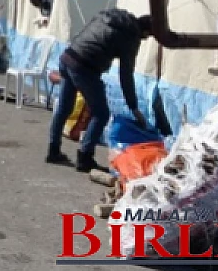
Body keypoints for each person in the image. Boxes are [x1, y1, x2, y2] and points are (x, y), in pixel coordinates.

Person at [47, 9, 153, 172]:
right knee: (101, 113)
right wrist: (133, 106)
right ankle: (85, 157)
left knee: (63, 108)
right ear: (145, 32)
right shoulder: (131, 36)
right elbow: (126, 74)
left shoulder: (109, 15)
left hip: (68, 56)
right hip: (84, 67)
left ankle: (53, 150)